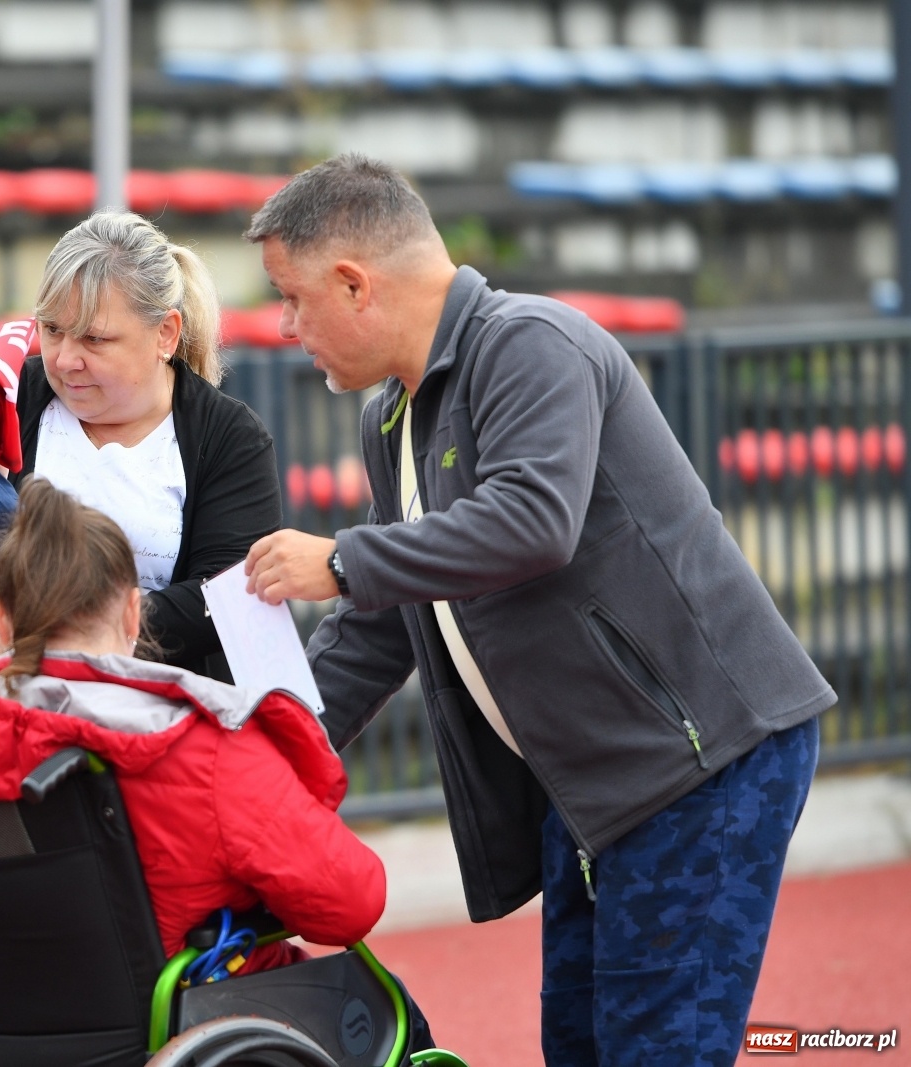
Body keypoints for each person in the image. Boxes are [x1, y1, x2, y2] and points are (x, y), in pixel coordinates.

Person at [239, 154, 833, 1067]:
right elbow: (384, 620)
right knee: (582, 1047)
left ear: (354, 283)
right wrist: (258, 743)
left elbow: (531, 521)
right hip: (592, 782)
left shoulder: (529, 342)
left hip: (700, 762)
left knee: (652, 1051)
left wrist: (344, 559)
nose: (285, 327)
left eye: (292, 297)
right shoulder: (389, 414)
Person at [0, 477, 410, 993]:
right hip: (168, 1023)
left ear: (1, 621)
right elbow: (350, 904)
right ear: (134, 613)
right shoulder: (204, 745)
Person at [0, 210, 280, 681]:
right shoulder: (8, 396)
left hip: (167, 722)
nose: (66, 359)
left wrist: (61, 643)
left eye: (95, 338)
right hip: (15, 710)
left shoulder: (232, 438)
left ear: (165, 334)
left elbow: (222, 599)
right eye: (52, 330)